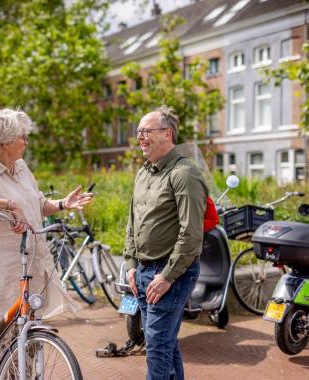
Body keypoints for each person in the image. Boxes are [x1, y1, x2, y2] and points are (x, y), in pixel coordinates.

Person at [0, 108, 92, 377]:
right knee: (1, 342)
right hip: (4, 270)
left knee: (26, 338)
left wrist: (63, 204)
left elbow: (39, 205)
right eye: (22, 137)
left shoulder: (21, 167)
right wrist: (5, 204)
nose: (26, 142)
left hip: (31, 266)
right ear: (6, 142)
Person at [124, 106, 207, 380]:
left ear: (167, 134)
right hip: (144, 272)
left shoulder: (184, 174)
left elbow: (191, 234)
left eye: (146, 131)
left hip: (171, 273)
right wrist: (131, 263)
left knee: (157, 348)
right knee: (164, 345)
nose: (140, 137)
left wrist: (167, 277)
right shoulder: (143, 173)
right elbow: (132, 222)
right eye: (138, 132)